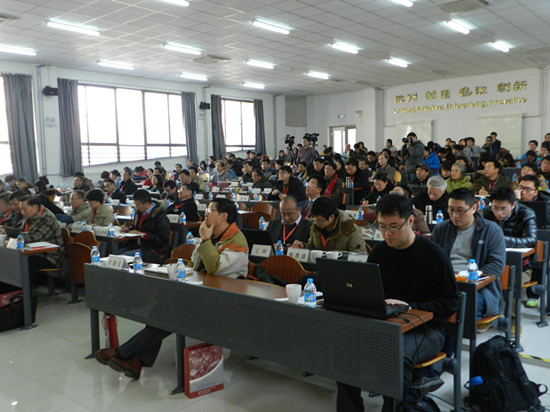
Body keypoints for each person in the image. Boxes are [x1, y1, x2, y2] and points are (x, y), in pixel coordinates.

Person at [95, 198, 248, 380]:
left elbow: (215, 267)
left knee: (171, 314)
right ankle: (135, 362)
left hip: (221, 303)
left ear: (224, 216)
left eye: (211, 210)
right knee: (161, 309)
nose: (205, 214)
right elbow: (194, 263)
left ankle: (123, 353)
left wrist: (205, 239)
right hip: (200, 294)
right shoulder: (213, 237)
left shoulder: (237, 242)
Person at [336, 194, 458, 412]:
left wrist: (411, 307)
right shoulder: (380, 252)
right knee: (345, 349)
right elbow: (370, 291)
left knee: (394, 354)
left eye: (393, 227)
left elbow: (450, 302)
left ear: (410, 221)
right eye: (382, 226)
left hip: (426, 329)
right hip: (385, 324)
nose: (386, 233)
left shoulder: (434, 255)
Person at [431, 188, 506, 320]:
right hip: (445, 283)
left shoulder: (491, 230)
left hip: (477, 287)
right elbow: (430, 259)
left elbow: (497, 265)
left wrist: (467, 277)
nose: (455, 215)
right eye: (451, 210)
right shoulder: (441, 229)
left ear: (474, 208)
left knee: (464, 304)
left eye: (460, 210)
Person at [0, 196, 65, 276]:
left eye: (24, 209)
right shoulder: (30, 215)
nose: (22, 213)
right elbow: (20, 231)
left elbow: (33, 237)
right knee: (8, 258)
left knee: (21, 263)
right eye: (21, 209)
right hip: (32, 251)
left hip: (49, 256)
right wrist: (5, 230)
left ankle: (24, 283)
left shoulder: (46, 217)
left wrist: (9, 232)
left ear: (35, 207)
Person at [291, 197, 367, 254]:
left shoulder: (351, 230)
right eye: (315, 220)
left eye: (320, 221)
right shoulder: (316, 227)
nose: (316, 223)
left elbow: (360, 255)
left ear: (331, 217)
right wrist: (303, 246)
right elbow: (313, 247)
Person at [119, 189, 170, 264]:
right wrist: (128, 229)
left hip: (155, 251)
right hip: (142, 246)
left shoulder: (160, 216)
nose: (136, 207)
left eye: (138, 205)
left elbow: (162, 240)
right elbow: (136, 228)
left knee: (123, 256)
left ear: (147, 203)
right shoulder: (139, 212)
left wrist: (144, 235)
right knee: (117, 253)